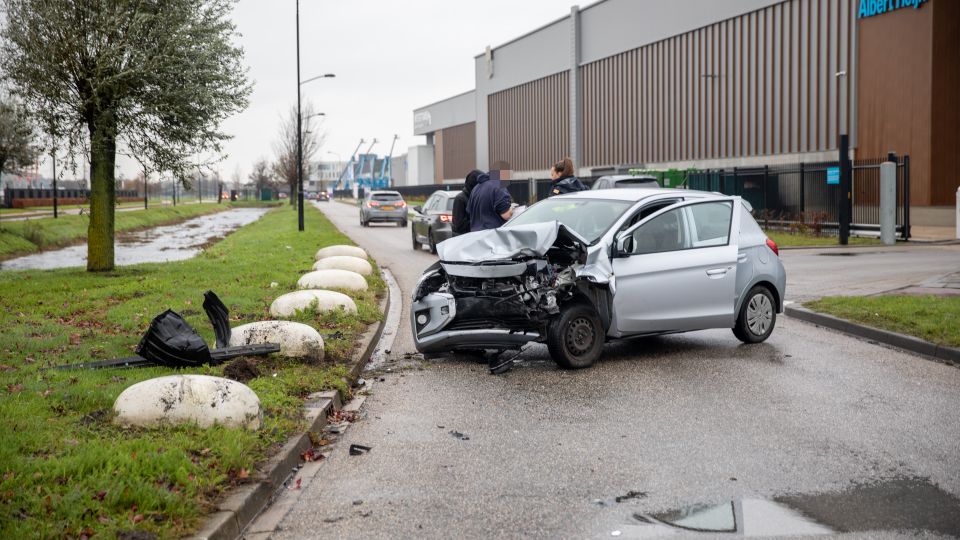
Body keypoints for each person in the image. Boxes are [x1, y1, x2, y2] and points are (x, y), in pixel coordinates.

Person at [451, 170, 481, 236]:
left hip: (472, 237)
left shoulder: (476, 198)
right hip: (462, 240)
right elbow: (458, 225)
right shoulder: (460, 199)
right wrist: (480, 221)